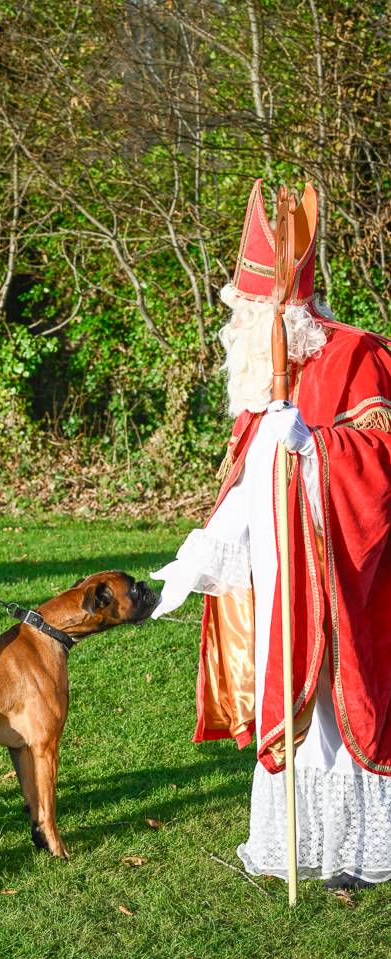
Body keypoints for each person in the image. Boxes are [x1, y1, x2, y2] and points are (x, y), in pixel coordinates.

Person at [151, 180, 391, 890]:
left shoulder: (358, 356)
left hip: (344, 577)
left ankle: (353, 853)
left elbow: (382, 460)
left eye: (254, 312)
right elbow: (244, 490)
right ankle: (299, 845)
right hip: (278, 584)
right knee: (291, 706)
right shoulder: (260, 384)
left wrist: (316, 447)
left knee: (341, 704)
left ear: (290, 310)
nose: (243, 329)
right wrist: (196, 558)